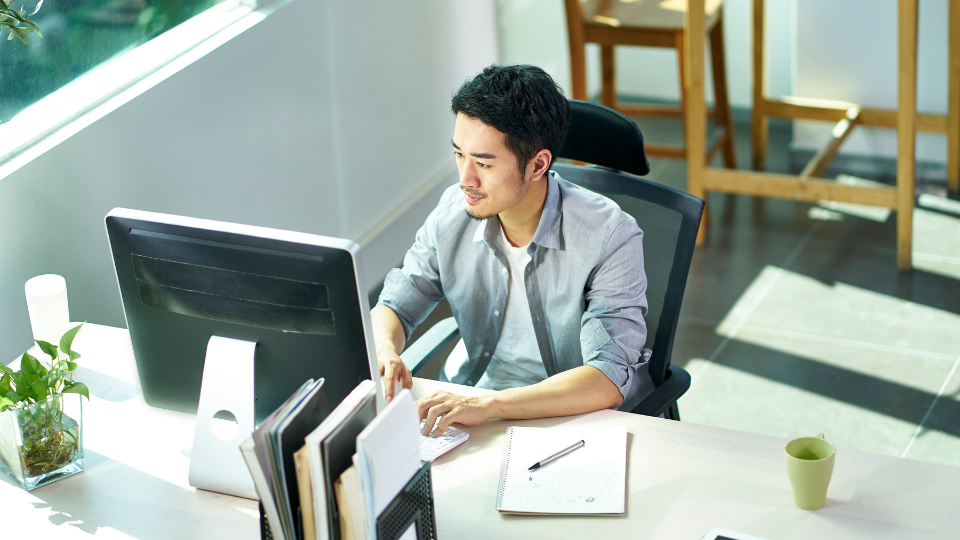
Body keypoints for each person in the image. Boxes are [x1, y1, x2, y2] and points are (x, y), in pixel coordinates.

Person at [372, 64, 654, 437]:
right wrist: (384, 352)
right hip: (472, 405)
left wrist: (491, 405)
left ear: (538, 164)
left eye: (484, 163)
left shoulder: (608, 235)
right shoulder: (452, 213)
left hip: (568, 418)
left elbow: (606, 378)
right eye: (460, 155)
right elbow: (396, 303)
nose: (465, 179)